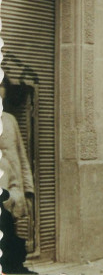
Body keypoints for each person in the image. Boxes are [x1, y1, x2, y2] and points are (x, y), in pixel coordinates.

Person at [0, 82, 37, 275]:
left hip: (11, 193)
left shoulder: (10, 120)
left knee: (10, 238)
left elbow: (21, 157)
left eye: (1, 86)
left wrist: (28, 190)